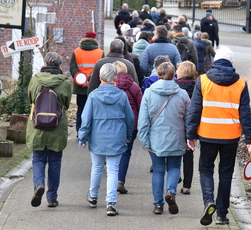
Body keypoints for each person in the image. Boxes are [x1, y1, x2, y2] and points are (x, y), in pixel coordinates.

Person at [186, 46, 251, 226]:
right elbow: (245, 114)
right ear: (231, 63)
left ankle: (208, 202)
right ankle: (221, 214)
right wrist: (250, 140)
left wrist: (191, 135)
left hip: (207, 134)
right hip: (230, 137)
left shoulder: (202, 81)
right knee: (226, 173)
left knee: (206, 170)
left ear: (215, 61)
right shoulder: (241, 84)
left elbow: (194, 111)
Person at [79, 63, 134, 216]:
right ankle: (111, 203)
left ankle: (93, 197)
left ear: (100, 77)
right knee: (113, 170)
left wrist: (82, 137)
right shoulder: (122, 95)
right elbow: (130, 118)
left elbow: (86, 119)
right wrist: (128, 136)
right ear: (115, 78)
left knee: (96, 167)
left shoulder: (93, 96)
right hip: (117, 137)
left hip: (97, 137)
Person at [138, 62, 190, 215]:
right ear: (174, 75)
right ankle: (171, 192)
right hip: (177, 137)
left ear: (158, 74)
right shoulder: (182, 94)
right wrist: (189, 139)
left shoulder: (148, 92)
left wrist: (144, 140)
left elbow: (143, 120)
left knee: (158, 171)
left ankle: (158, 205)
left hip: (155, 139)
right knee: (174, 168)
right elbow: (188, 119)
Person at [26, 52, 72, 208]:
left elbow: (31, 99)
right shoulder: (65, 83)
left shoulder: (35, 80)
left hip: (37, 125)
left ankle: (39, 184)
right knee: (55, 162)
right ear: (59, 65)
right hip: (57, 127)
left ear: (45, 64)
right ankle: (52, 198)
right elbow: (65, 105)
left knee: (38, 159)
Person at [113, 61, 142, 194]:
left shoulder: (109, 86)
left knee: (112, 152)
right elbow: (141, 106)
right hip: (131, 125)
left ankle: (111, 181)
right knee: (126, 152)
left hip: (112, 123)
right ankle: (120, 181)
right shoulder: (134, 87)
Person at [70, 31, 104, 135]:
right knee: (93, 110)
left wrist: (82, 79)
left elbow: (72, 68)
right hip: (95, 86)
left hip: (80, 86)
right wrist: (91, 81)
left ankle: (80, 131)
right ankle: (91, 132)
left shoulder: (76, 51)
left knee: (81, 109)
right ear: (95, 41)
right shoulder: (100, 52)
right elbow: (102, 69)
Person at [175, 61, 196, 195]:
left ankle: (175, 175)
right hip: (192, 125)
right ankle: (187, 185)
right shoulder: (198, 87)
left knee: (175, 153)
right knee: (189, 155)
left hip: (176, 124)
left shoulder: (175, 87)